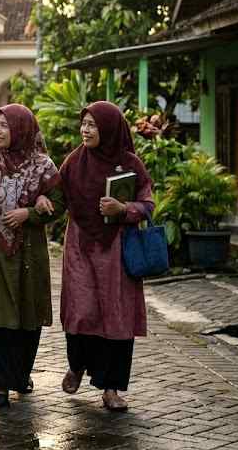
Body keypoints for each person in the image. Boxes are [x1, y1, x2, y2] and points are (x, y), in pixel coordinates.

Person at [55, 100, 153, 412]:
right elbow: (56, 194)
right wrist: (41, 202)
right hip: (81, 247)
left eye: (93, 125)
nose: (85, 130)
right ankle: (78, 364)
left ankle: (111, 389)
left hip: (117, 251)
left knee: (117, 317)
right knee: (81, 312)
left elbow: (148, 204)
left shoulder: (131, 164)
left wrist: (124, 209)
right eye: (83, 124)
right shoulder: (74, 162)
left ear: (109, 128)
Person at [0, 104, 63, 409]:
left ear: (21, 129)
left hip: (28, 253)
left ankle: (21, 374)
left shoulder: (43, 166)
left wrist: (32, 212)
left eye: (5, 126)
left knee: (27, 315)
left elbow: (59, 203)